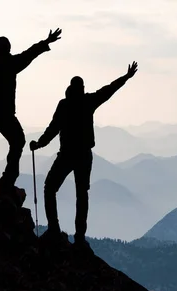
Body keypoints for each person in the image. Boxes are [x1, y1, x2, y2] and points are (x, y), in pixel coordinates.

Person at [30, 61, 139, 246]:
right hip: (84, 156)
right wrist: (126, 77)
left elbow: (53, 128)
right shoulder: (88, 101)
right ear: (81, 88)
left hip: (66, 155)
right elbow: (108, 90)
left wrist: (39, 144)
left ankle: (54, 229)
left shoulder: (64, 105)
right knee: (82, 194)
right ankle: (79, 237)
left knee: (50, 187)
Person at [0, 28, 63, 198]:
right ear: (8, 49)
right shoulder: (11, 63)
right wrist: (46, 42)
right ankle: (6, 181)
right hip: (4, 115)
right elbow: (30, 53)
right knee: (16, 142)